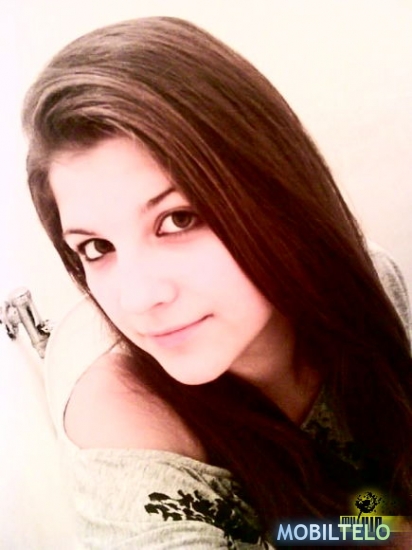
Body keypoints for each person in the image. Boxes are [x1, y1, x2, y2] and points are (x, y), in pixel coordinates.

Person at [22, 16, 412, 549]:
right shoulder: (125, 435)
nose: (137, 298)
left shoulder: (369, 286)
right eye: (97, 248)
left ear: (273, 190)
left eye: (178, 219)